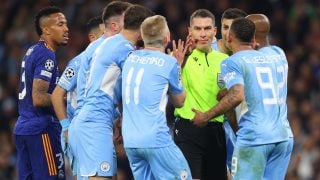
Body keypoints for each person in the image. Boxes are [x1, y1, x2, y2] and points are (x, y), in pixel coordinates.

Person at [192, 17, 292, 180]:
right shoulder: (275, 55)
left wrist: (206, 116)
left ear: (229, 37)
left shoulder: (232, 62)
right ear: (253, 39)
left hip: (255, 137)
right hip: (282, 136)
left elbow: (237, 94)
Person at [73, 5, 153, 179]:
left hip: (90, 120)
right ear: (141, 30)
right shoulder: (126, 49)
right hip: (94, 123)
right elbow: (145, 83)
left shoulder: (105, 43)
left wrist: (117, 115)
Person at [59, 1, 132, 179]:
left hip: (95, 124)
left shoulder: (103, 50)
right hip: (89, 126)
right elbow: (57, 94)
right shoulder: (92, 54)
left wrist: (116, 115)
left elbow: (102, 88)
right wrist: (66, 127)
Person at [121, 15, 191, 180]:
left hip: (131, 142)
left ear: (142, 37)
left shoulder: (129, 58)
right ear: (167, 38)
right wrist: (177, 67)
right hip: (155, 139)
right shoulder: (169, 63)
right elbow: (180, 102)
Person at [14, 6, 69, 179]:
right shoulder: (46, 54)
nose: (66, 29)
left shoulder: (32, 50)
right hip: (41, 129)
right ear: (46, 30)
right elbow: (38, 98)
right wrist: (67, 97)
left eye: (66, 24)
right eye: (60, 24)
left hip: (24, 128)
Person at [174, 9, 228, 180]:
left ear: (215, 31)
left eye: (207, 28)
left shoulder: (225, 60)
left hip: (216, 131)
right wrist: (180, 63)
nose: (203, 34)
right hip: (188, 130)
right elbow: (171, 90)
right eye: (198, 29)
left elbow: (230, 94)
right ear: (190, 31)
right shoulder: (180, 57)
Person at [51, 15, 105, 178]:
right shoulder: (79, 62)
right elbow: (56, 95)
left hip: (99, 131)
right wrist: (66, 127)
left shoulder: (108, 63)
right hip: (82, 133)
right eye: (104, 36)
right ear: (92, 38)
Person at [246, 13, 294, 179]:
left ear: (251, 35)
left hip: (261, 136)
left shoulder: (251, 60)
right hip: (284, 135)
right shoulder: (279, 53)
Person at [212, 8, 248, 175]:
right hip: (209, 126)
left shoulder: (245, 57)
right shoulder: (206, 50)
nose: (228, 34)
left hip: (234, 128)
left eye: (233, 28)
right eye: (225, 27)